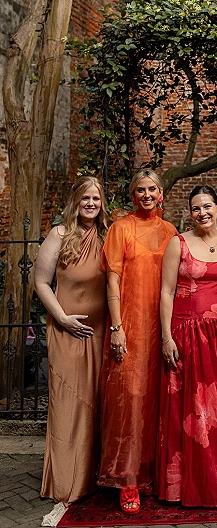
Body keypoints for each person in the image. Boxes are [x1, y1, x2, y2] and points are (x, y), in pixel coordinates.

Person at [98, 169, 178, 514]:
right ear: (133, 196)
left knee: (158, 400)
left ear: (161, 194)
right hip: (130, 323)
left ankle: (153, 474)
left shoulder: (171, 231)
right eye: (141, 190)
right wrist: (116, 326)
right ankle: (128, 478)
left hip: (161, 327)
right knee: (129, 399)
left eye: (152, 190)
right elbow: (112, 281)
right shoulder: (121, 228)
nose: (147, 195)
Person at [157, 185, 217, 507]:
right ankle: (184, 487)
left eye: (208, 206)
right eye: (196, 208)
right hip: (184, 335)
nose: (203, 213)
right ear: (190, 212)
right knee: (189, 412)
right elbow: (165, 292)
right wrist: (166, 337)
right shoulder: (178, 244)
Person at [34, 176, 109, 527]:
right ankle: (67, 482)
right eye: (85, 199)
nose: (91, 204)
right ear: (75, 201)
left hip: (101, 335)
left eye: (96, 198)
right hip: (68, 332)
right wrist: (62, 318)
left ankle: (93, 476)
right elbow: (40, 282)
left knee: (97, 403)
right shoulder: (59, 236)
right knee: (69, 404)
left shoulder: (109, 236)